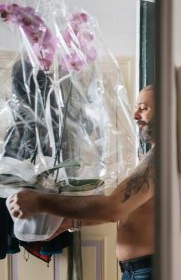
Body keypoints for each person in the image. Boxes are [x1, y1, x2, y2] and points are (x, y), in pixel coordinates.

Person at [7, 85, 155, 280]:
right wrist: (70, 222)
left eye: (143, 108)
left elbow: (114, 208)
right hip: (138, 270)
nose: (135, 114)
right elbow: (129, 211)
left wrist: (39, 202)